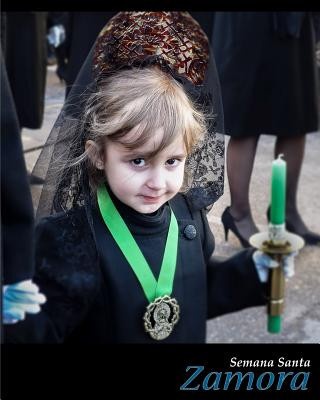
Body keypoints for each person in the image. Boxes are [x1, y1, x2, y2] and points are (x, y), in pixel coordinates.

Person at [3, 12, 295, 344]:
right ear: (99, 154)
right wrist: (17, 322)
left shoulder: (189, 219)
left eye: (172, 161)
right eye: (138, 160)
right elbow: (47, 331)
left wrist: (252, 273)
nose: (158, 182)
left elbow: (196, 290)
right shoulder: (70, 240)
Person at [211, 12, 320, 247]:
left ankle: (287, 211)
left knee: (295, 115)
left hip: (294, 20)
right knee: (246, 117)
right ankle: (238, 213)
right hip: (246, 22)